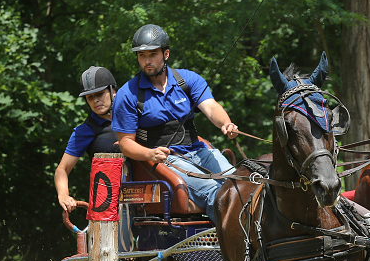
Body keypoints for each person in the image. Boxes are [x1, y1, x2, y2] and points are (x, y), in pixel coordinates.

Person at [111, 24, 238, 222]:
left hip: (199, 152)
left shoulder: (187, 80)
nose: (147, 61)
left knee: (240, 183)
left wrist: (226, 123)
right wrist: (150, 154)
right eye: (142, 55)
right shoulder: (128, 94)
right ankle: (229, 248)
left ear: (166, 54)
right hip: (166, 160)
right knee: (216, 193)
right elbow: (125, 142)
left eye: (152, 54)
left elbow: (211, 107)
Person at [54, 66, 119, 212]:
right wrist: (63, 195)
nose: (96, 101)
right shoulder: (84, 131)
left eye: (100, 94)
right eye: (90, 97)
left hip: (144, 193)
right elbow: (62, 169)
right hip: (107, 204)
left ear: (113, 91)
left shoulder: (133, 117)